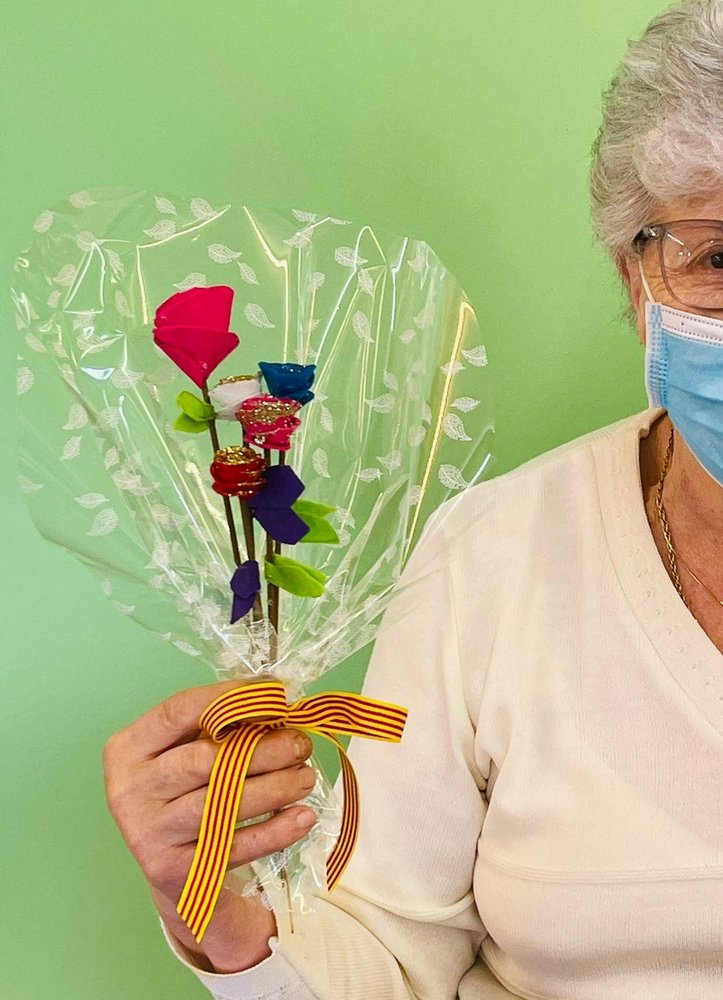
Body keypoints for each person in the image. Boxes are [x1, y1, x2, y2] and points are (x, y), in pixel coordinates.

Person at [102, 1, 723, 996]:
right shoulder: (495, 555)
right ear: (636, 279)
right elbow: (386, 953)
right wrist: (230, 919)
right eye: (719, 257)